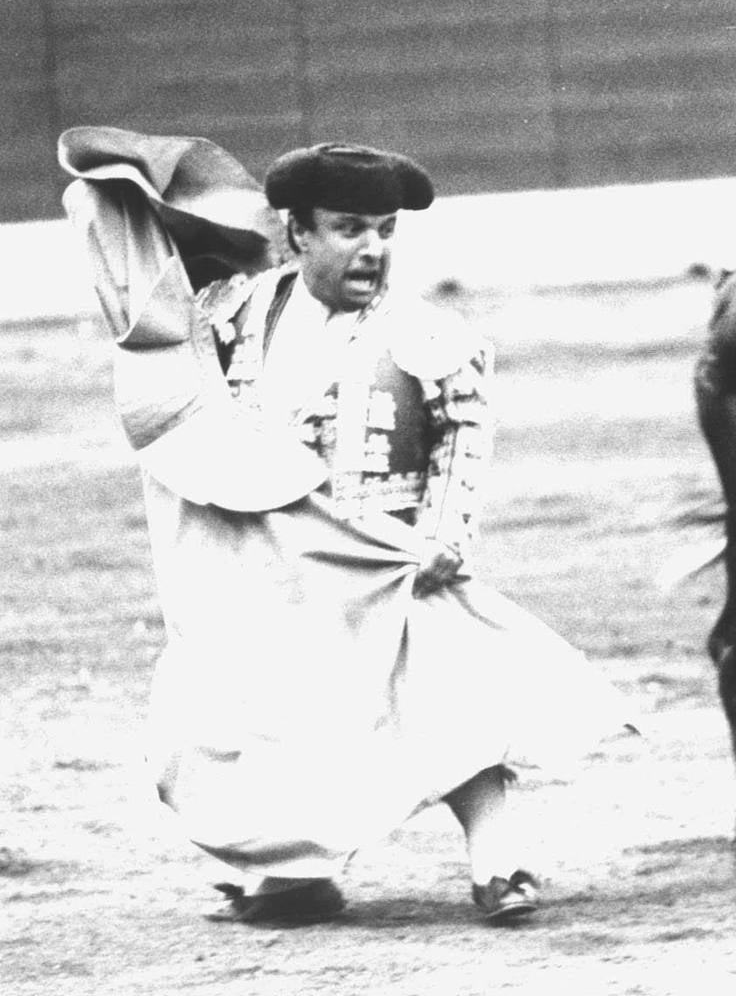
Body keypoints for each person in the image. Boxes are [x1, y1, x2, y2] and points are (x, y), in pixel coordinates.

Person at [59, 127, 635, 927]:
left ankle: (498, 864)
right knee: (232, 723)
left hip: (381, 559)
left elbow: (464, 432)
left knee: (451, 696)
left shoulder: (430, 334)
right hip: (266, 568)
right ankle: (294, 880)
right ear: (297, 233)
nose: (373, 249)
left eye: (386, 231)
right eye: (350, 229)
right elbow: (168, 373)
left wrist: (444, 535)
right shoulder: (231, 316)